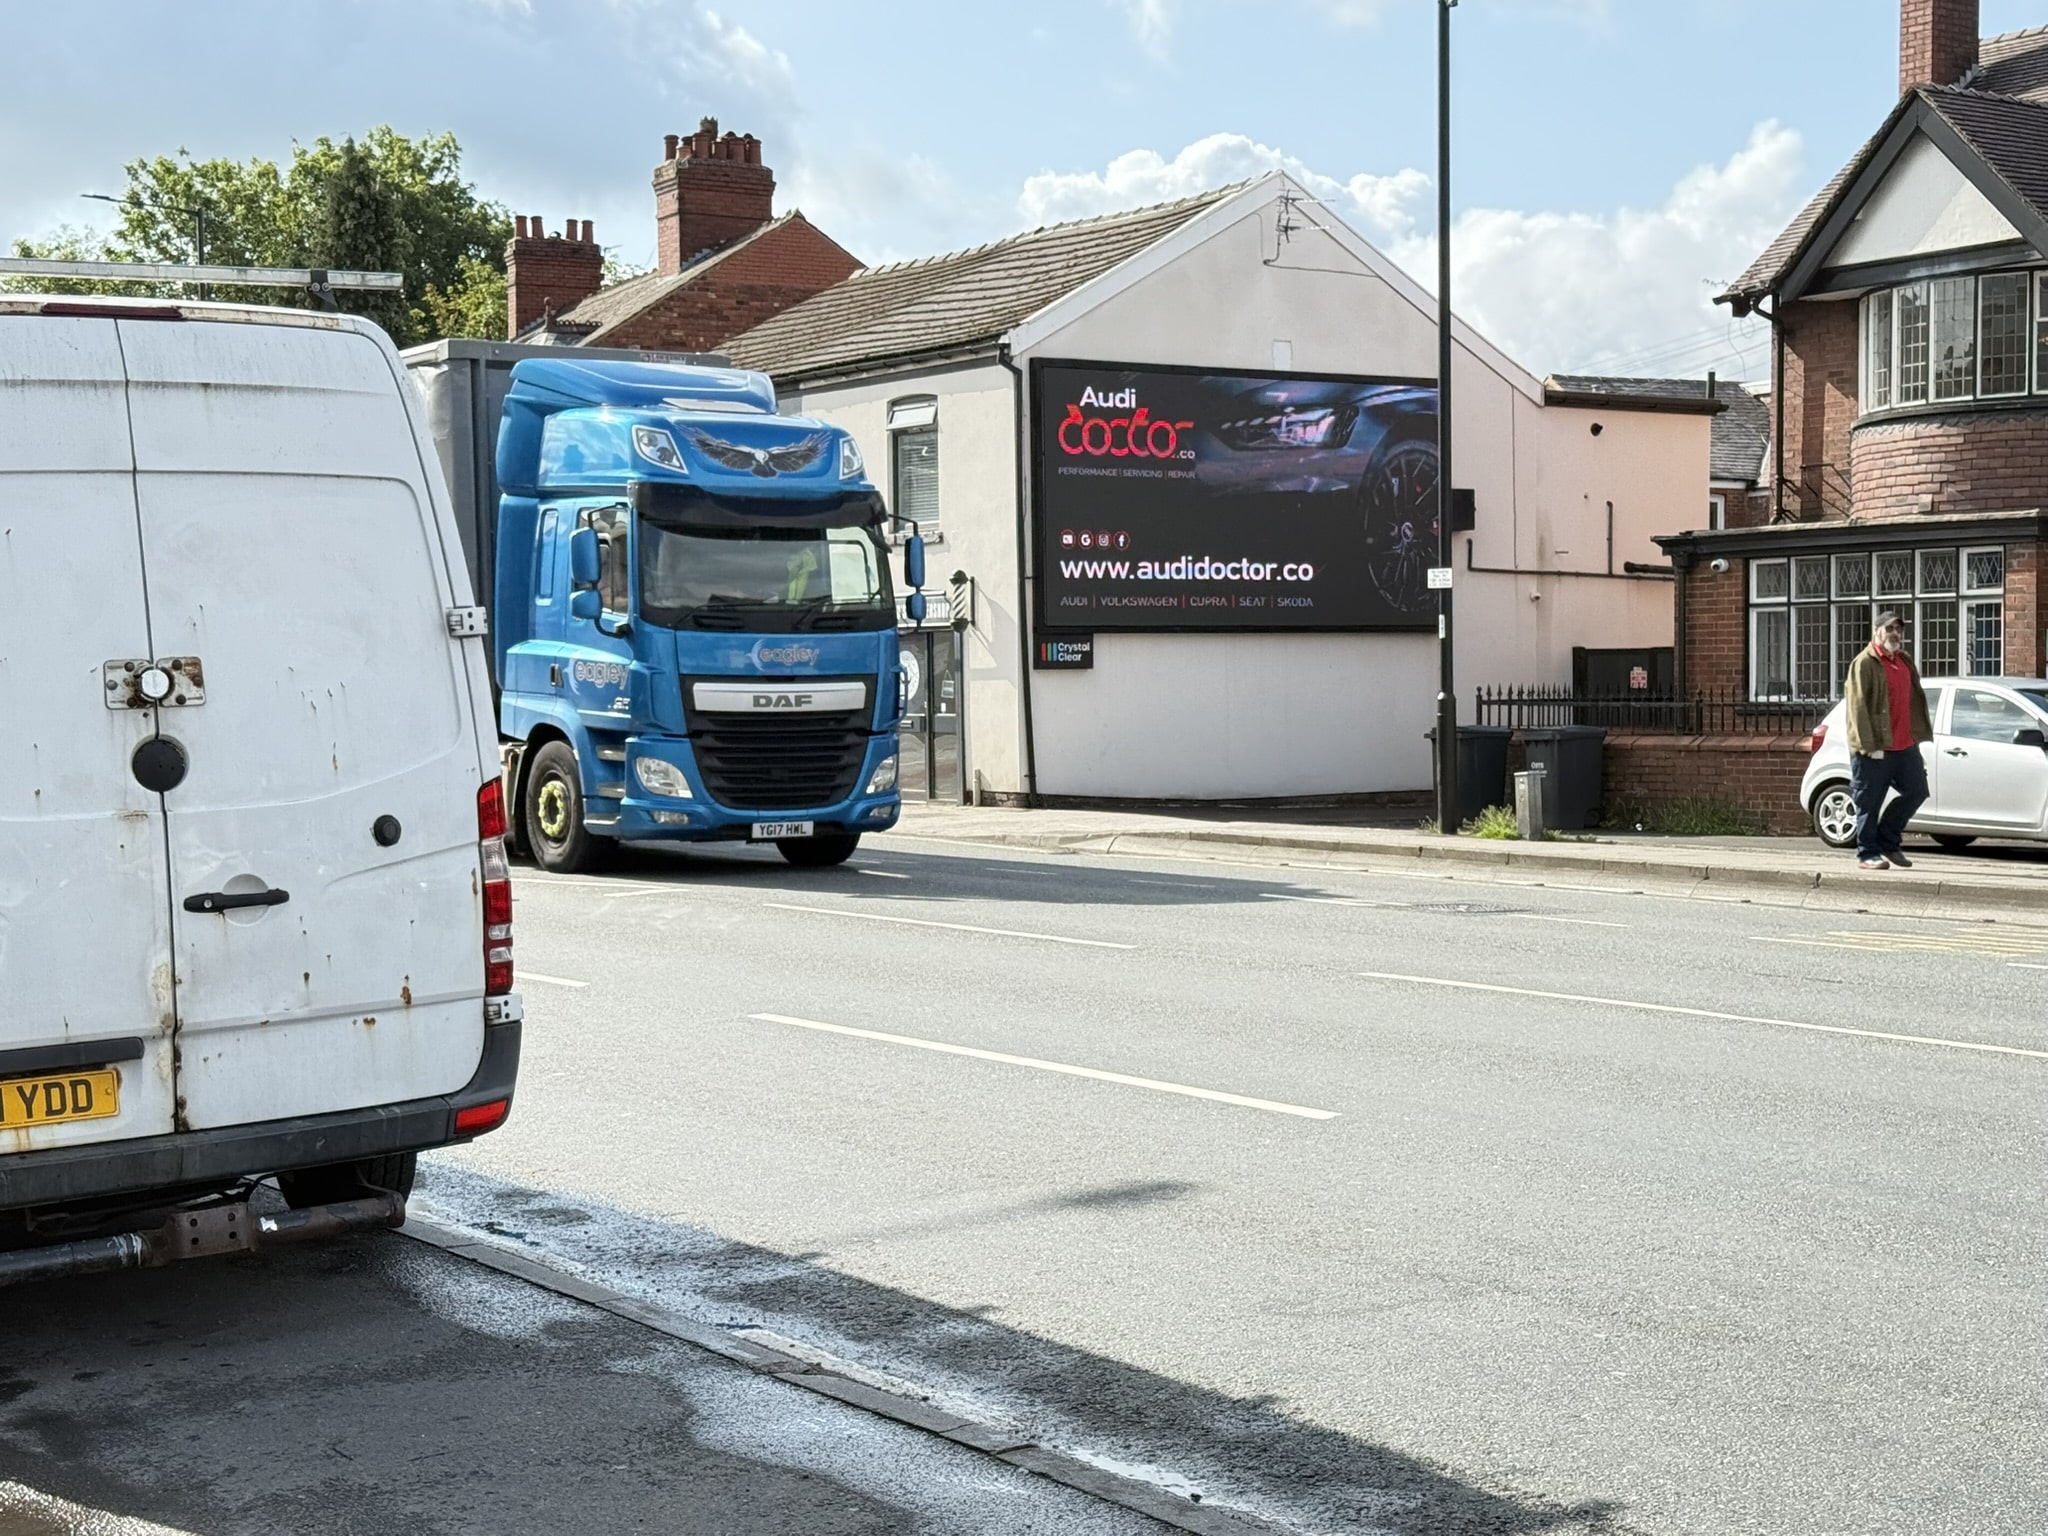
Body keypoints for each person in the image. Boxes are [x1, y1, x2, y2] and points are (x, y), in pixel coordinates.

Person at [1841, 611, 1933, 871]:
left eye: (1899, 630)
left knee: (1917, 791)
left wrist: (1916, 737)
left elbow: (1912, 702)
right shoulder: (1865, 663)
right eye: (1889, 628)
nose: (1895, 634)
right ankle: (1867, 853)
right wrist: (1869, 746)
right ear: (1876, 631)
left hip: (1904, 745)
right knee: (1869, 802)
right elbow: (1857, 709)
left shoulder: (1903, 660)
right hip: (1875, 747)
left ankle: (1888, 842)